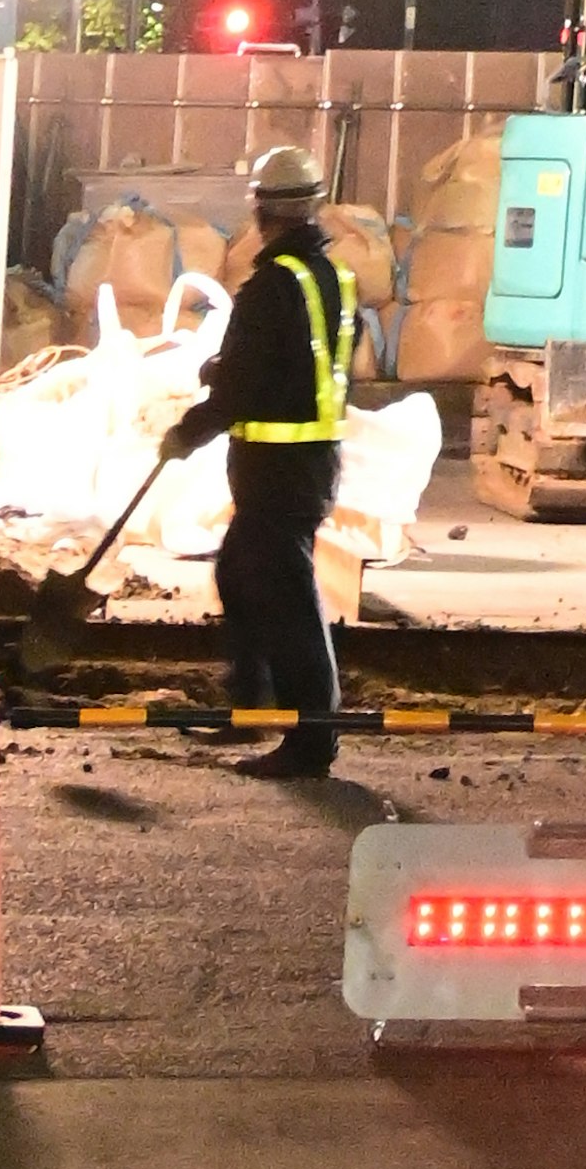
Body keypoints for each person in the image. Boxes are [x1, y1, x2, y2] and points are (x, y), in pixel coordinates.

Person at [166, 139, 354, 779]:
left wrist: (189, 428)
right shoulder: (328, 277)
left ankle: (312, 740)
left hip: (279, 469)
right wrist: (227, 365)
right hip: (308, 462)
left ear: (262, 214)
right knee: (240, 575)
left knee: (288, 599)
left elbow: (248, 382)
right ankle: (250, 700)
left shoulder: (271, 285)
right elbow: (294, 361)